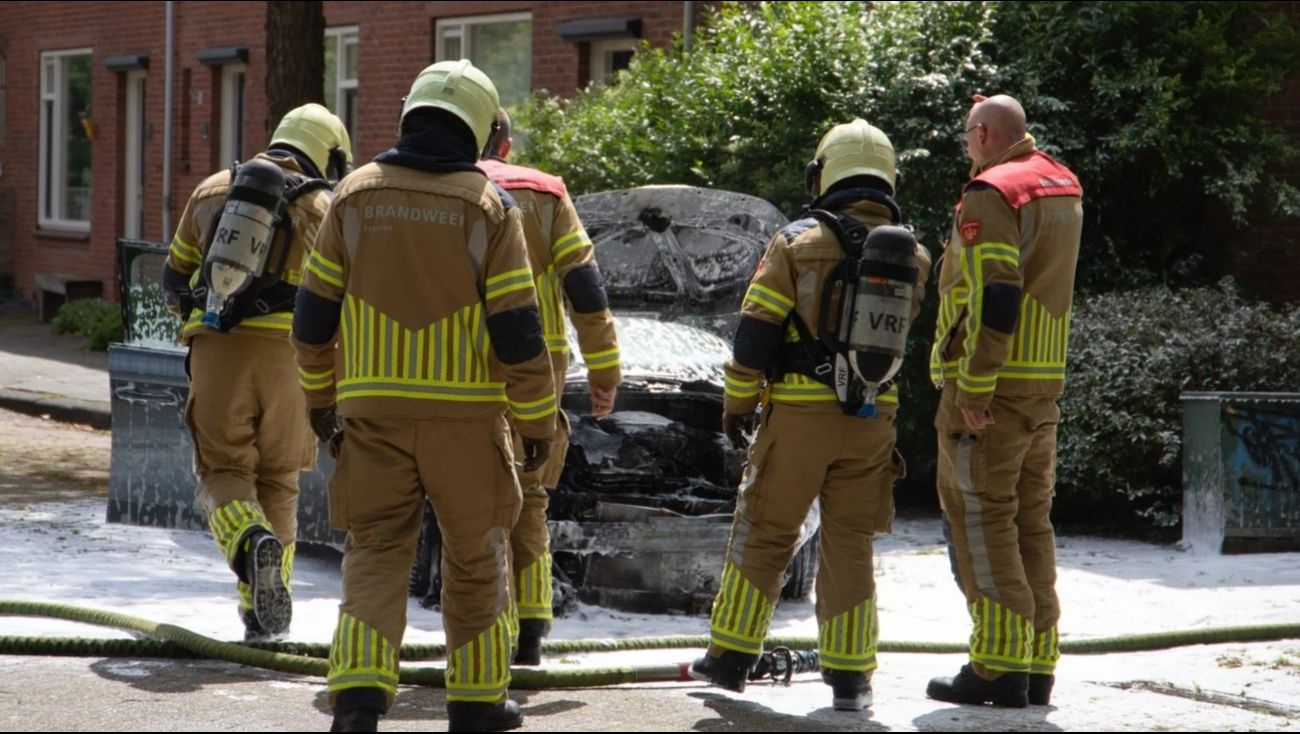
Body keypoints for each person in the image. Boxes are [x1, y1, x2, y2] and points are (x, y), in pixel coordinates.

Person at [292, 60, 555, 733]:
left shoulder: (352, 195)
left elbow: (313, 319)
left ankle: (355, 700)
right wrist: (536, 421)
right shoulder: (488, 206)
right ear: (480, 127)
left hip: (371, 414)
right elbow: (519, 330)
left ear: (411, 115)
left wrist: (320, 401)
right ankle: (476, 701)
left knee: (376, 554)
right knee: (475, 556)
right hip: (467, 421)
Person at [690, 119, 930, 711]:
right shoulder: (916, 255)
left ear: (823, 174)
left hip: (798, 412)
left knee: (766, 529)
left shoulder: (796, 241)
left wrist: (738, 403)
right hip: (874, 419)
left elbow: (754, 334)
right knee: (851, 542)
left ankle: (730, 657)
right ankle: (851, 674)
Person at [161, 103, 351, 640]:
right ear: (326, 152)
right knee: (281, 481)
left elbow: (173, 279)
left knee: (222, 470)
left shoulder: (212, 189)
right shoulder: (325, 205)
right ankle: (264, 612)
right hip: (294, 361)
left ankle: (247, 541)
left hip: (220, 352)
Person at [925, 94, 1083, 708]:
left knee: (980, 519)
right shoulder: (1060, 183)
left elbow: (998, 292)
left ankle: (997, 664)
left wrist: (974, 385)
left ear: (985, 134)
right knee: (1028, 522)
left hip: (991, 389)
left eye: (968, 135)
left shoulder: (993, 192)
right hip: (1043, 383)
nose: (967, 145)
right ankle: (1038, 659)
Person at [478, 108, 621, 666]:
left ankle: (488, 628)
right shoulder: (548, 193)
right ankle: (532, 628)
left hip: (472, 365)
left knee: (480, 502)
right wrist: (605, 372)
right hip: (544, 363)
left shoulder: (451, 190)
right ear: (507, 146)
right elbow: (584, 286)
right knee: (532, 495)